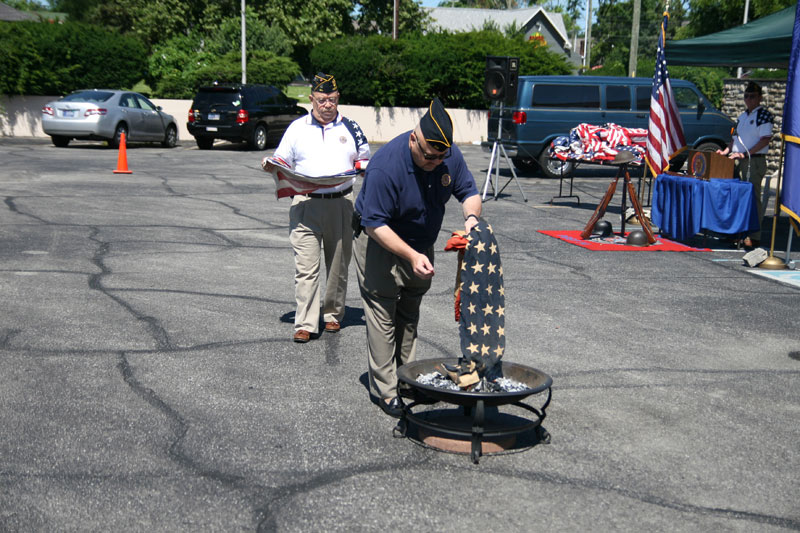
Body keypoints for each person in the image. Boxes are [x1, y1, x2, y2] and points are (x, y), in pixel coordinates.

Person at [353, 97, 482, 418]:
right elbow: (374, 224)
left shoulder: (446, 156)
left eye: (441, 156)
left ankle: (406, 377)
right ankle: (385, 390)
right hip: (379, 242)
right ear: (414, 138)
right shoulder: (386, 166)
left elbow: (469, 192)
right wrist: (411, 255)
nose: (435, 162)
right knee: (383, 312)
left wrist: (471, 220)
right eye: (428, 155)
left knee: (409, 310)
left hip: (419, 244)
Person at [263, 73, 370, 343]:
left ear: (338, 99)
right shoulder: (297, 128)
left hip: (341, 203)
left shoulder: (352, 129)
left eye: (332, 100)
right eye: (321, 100)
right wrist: (271, 165)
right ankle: (306, 323)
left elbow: (367, 161)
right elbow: (281, 159)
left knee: (338, 266)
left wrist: (361, 168)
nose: (327, 105)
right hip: (305, 205)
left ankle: (332, 314)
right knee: (306, 267)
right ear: (311, 99)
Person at [717, 81, 774, 248]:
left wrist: (744, 153)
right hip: (739, 159)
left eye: (753, 96)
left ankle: (754, 235)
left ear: (760, 98)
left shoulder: (763, 115)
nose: (749, 99)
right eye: (746, 96)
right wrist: (725, 151)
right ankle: (738, 232)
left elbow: (765, 139)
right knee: (737, 197)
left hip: (753, 161)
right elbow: (734, 139)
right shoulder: (742, 116)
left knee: (752, 197)